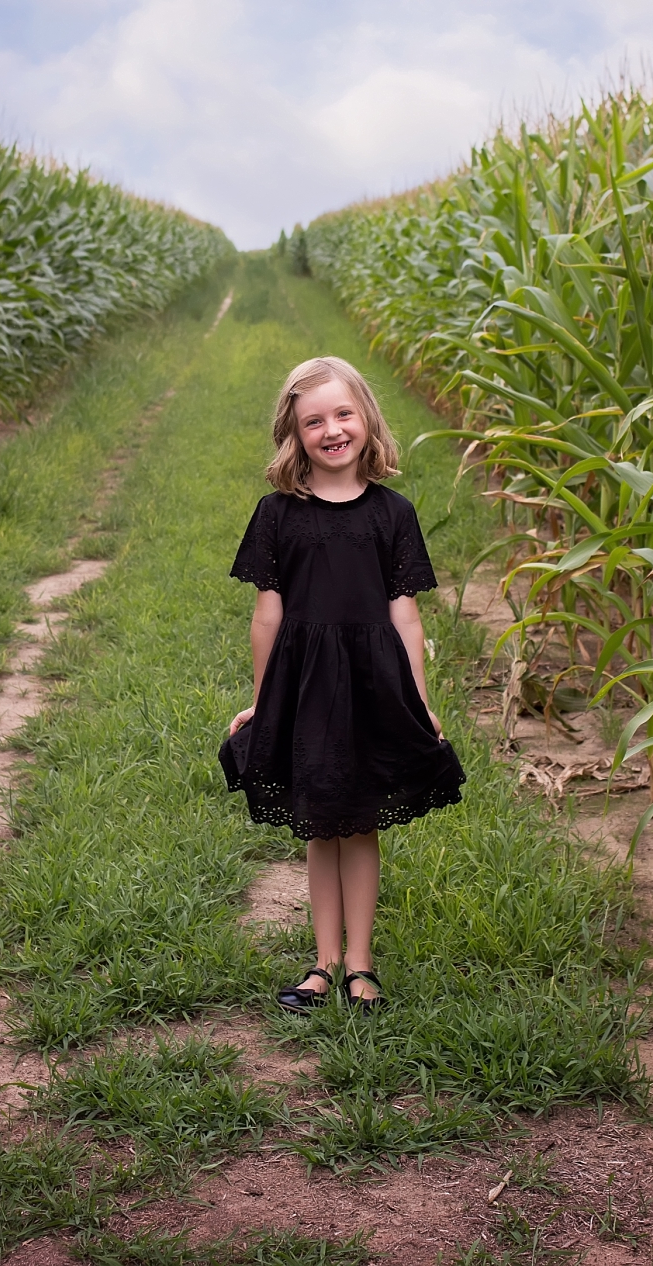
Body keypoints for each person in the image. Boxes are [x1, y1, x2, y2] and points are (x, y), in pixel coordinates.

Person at [220, 355, 464, 1013]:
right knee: (319, 826)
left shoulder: (393, 514)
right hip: (305, 691)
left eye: (343, 414)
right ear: (294, 434)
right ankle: (322, 964)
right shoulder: (278, 516)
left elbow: (405, 617)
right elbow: (267, 616)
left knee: (358, 826)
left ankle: (361, 965)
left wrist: (418, 702)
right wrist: (263, 700)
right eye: (313, 422)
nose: (331, 430)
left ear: (367, 419)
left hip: (371, 688)